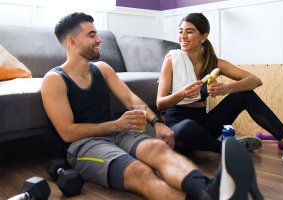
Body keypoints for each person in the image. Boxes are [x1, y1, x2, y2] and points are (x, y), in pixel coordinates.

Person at [41, 12, 263, 200]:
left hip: (118, 133)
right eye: (91, 35)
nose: (99, 39)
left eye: (97, 33)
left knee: (158, 149)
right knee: (140, 171)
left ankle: (208, 190)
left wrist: (157, 124)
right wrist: (116, 125)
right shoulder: (54, 80)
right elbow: (67, 132)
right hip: (83, 146)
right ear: (72, 42)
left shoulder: (102, 68)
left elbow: (133, 100)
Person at [156, 13, 283, 165]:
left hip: (204, 125)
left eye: (189, 31)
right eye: (180, 31)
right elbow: (160, 104)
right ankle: (230, 148)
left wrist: (228, 88)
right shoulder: (172, 59)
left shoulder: (213, 63)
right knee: (187, 127)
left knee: (244, 95)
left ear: (203, 37)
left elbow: (255, 80)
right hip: (178, 126)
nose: (183, 36)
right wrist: (180, 94)